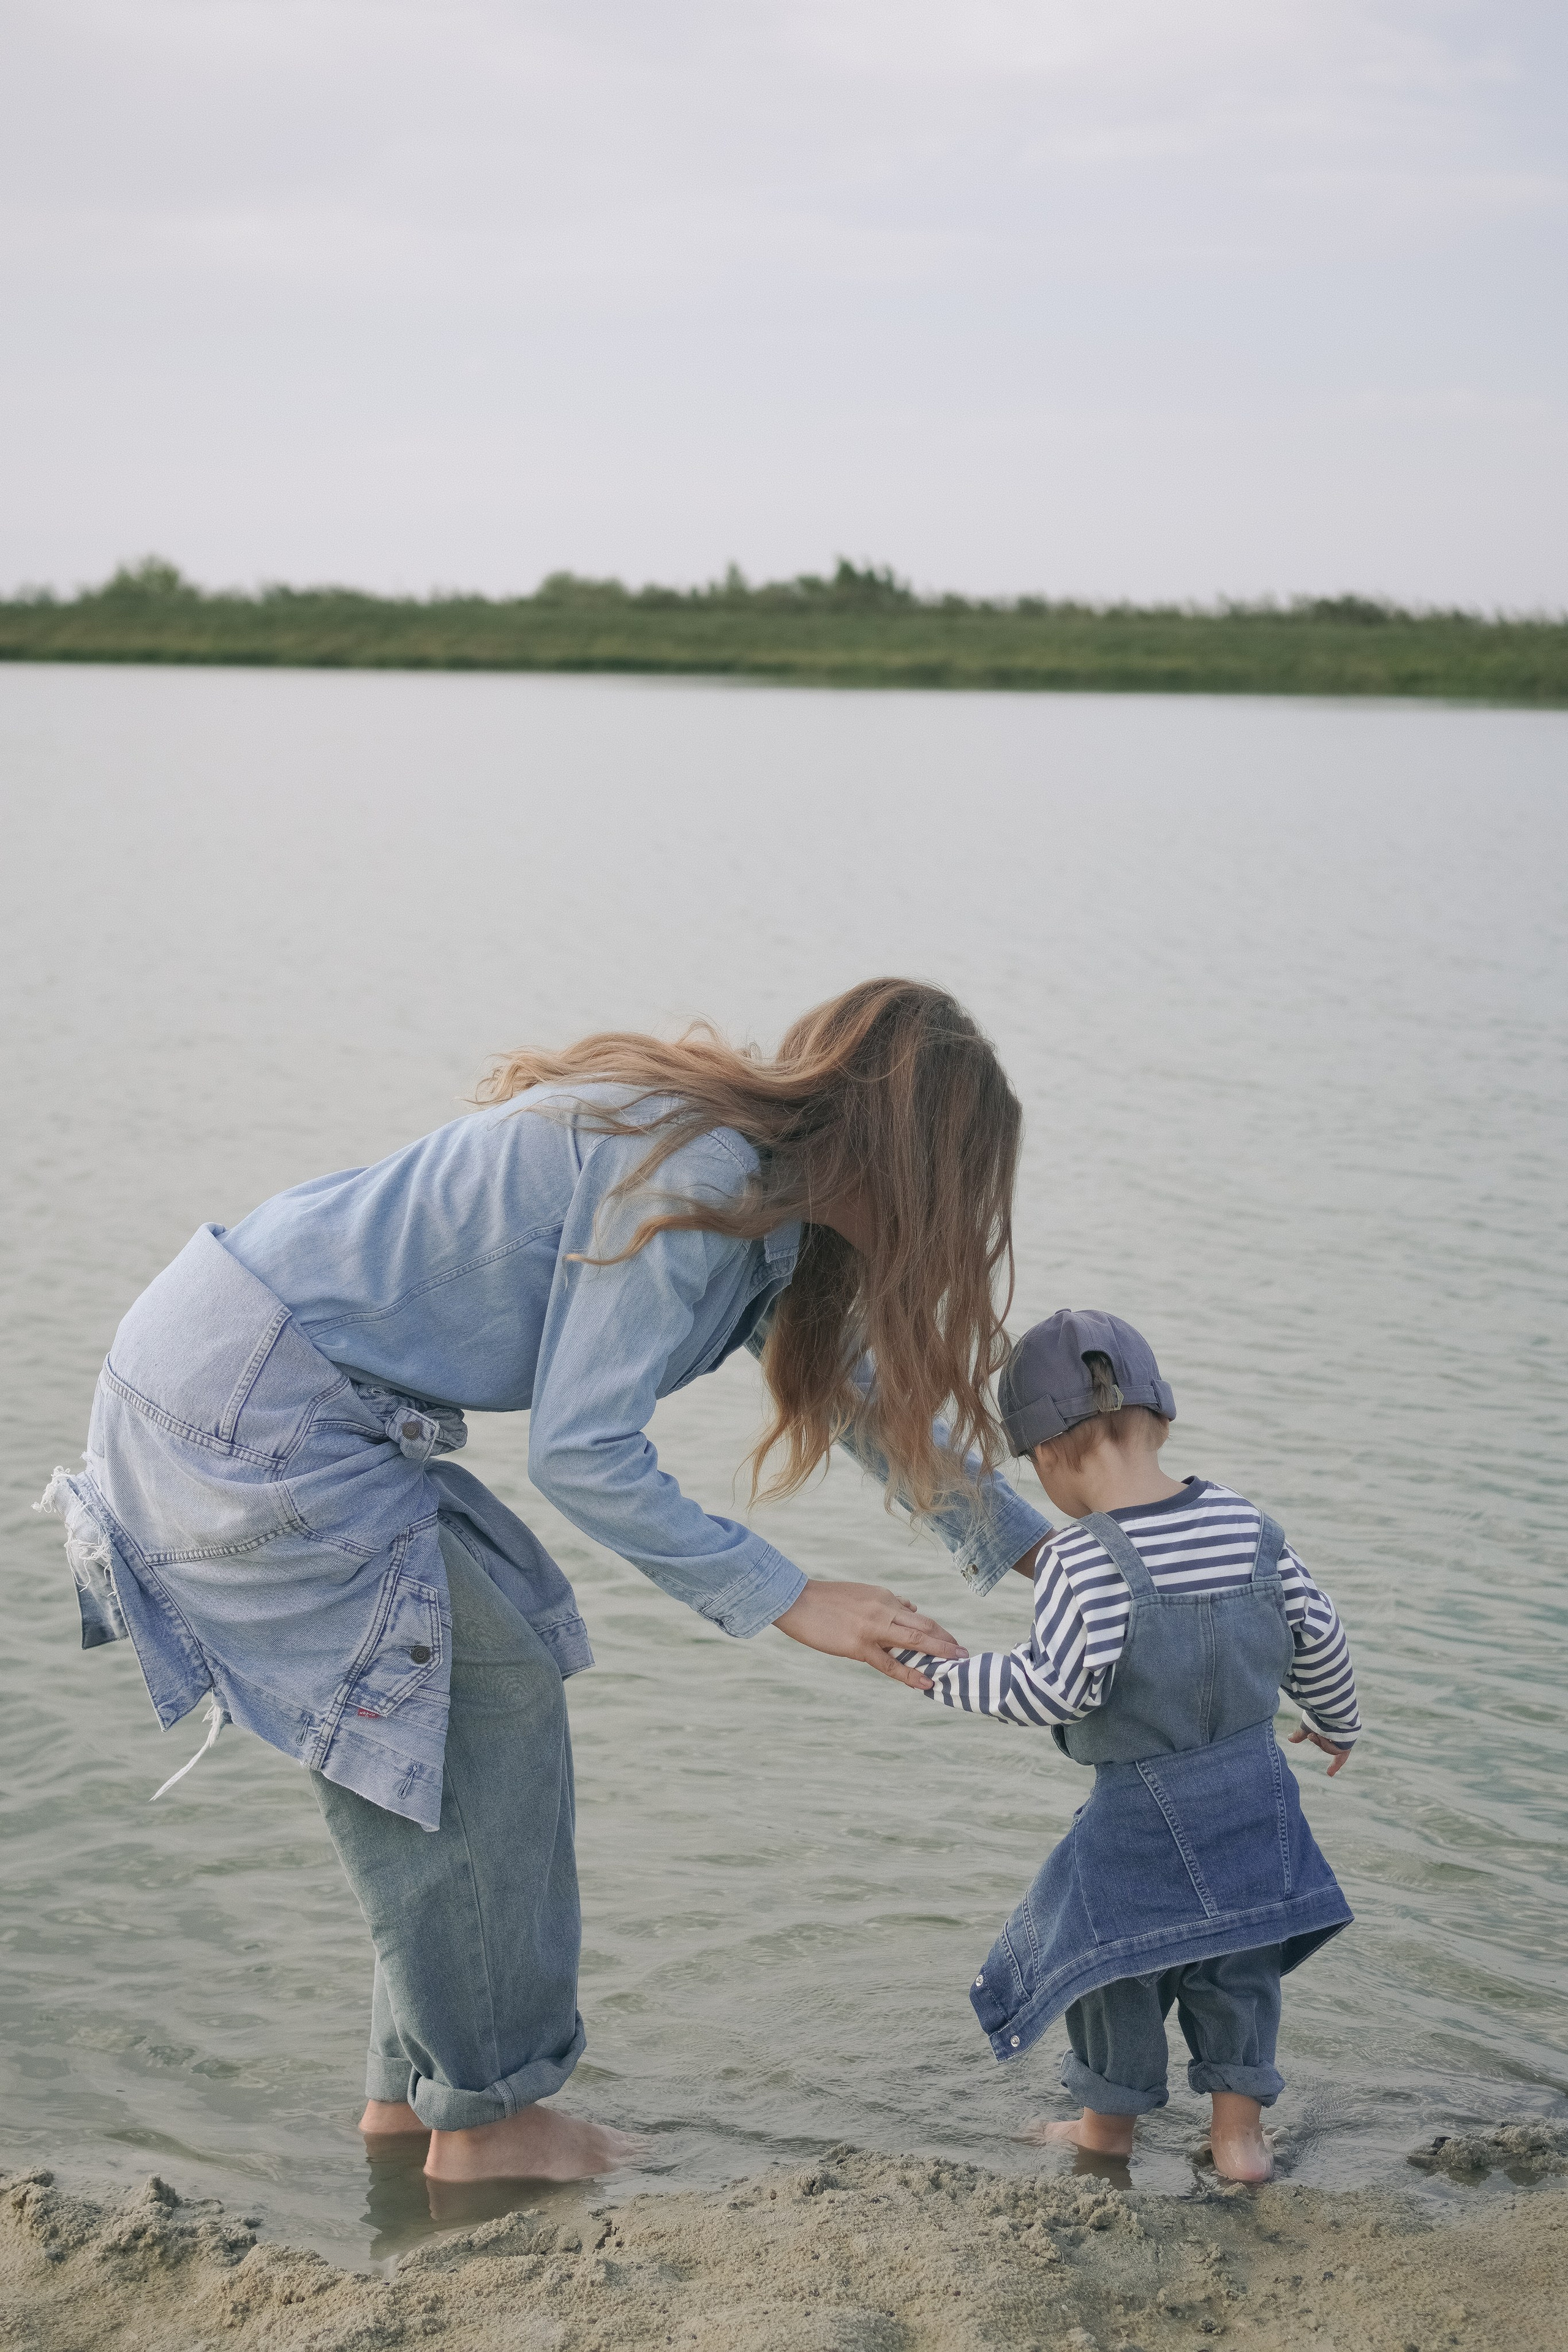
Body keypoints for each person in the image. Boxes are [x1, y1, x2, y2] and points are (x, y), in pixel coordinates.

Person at [39, 979, 1051, 2184]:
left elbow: (864, 1399)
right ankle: (486, 2123)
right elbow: (581, 1455)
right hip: (247, 1405)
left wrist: (1040, 1551)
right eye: (959, 1194)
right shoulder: (700, 1178)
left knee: (467, 1696)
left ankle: (413, 2107)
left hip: (255, 1376)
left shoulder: (767, 1206)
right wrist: (788, 1595)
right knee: (487, 1696)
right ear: (916, 1160)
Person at [895, 1308, 1358, 2184]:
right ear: (1161, 1422)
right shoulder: (1249, 1528)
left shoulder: (1084, 1562)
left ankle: (1105, 2137)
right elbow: (1319, 1635)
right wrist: (1337, 1721)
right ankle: (1240, 2143)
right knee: (1240, 1971)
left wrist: (943, 1674)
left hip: (1140, 1809)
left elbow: (1057, 1687)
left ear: (1051, 1454)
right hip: (1257, 1793)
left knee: (1112, 1967)